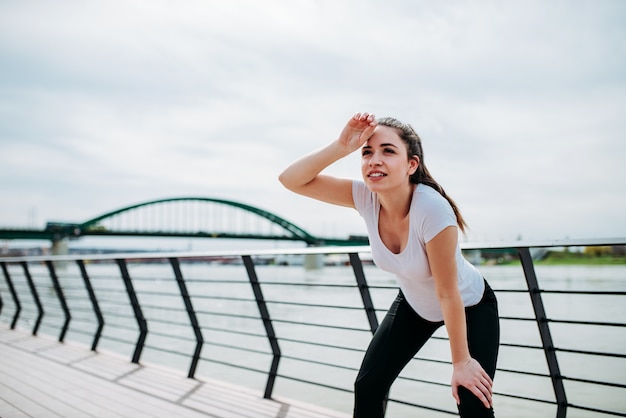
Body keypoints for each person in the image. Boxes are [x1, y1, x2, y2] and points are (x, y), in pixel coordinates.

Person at [278, 112, 500, 417]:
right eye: (367, 152)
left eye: (388, 151)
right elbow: (290, 180)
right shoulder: (365, 197)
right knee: (368, 386)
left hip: (469, 306)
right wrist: (341, 146)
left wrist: (461, 363)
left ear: (412, 164)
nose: (374, 159)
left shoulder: (432, 210)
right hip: (414, 305)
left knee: (472, 400)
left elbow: (448, 293)